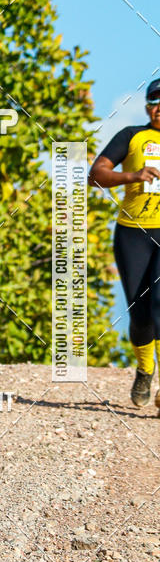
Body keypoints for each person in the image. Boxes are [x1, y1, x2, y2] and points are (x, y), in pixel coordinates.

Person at [89, 78, 160, 408]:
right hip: (132, 233)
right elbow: (97, 174)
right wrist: (134, 176)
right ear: (147, 107)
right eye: (154, 103)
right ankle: (145, 369)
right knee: (140, 312)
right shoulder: (130, 135)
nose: (159, 109)